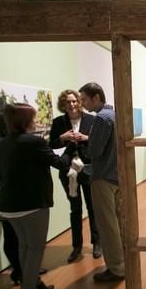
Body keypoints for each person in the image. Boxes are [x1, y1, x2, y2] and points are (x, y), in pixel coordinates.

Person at [0, 103, 68, 289]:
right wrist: (69, 150)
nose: (36, 122)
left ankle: (35, 284)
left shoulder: (0, 144)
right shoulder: (34, 142)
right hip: (32, 205)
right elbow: (59, 163)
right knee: (34, 249)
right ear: (25, 121)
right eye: (33, 118)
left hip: (7, 206)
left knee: (24, 246)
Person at [78, 83, 125, 282]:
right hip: (117, 176)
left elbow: (95, 151)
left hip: (103, 177)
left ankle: (116, 268)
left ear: (96, 97)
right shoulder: (115, 115)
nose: (82, 103)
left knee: (107, 226)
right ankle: (124, 262)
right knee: (119, 222)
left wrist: (84, 142)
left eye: (84, 99)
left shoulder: (101, 118)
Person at [49, 89, 101, 263]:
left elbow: (98, 140)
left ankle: (96, 243)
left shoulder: (91, 119)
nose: (71, 105)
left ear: (79, 102)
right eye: (67, 102)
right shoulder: (58, 122)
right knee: (75, 209)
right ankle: (76, 247)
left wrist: (85, 137)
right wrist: (63, 138)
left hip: (87, 167)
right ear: (62, 104)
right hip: (68, 171)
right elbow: (51, 144)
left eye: (74, 101)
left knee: (93, 207)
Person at [0, 112, 22, 285]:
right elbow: (0, 171)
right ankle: (18, 270)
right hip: (8, 191)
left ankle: (22, 269)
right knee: (11, 234)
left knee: (18, 235)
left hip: (10, 190)